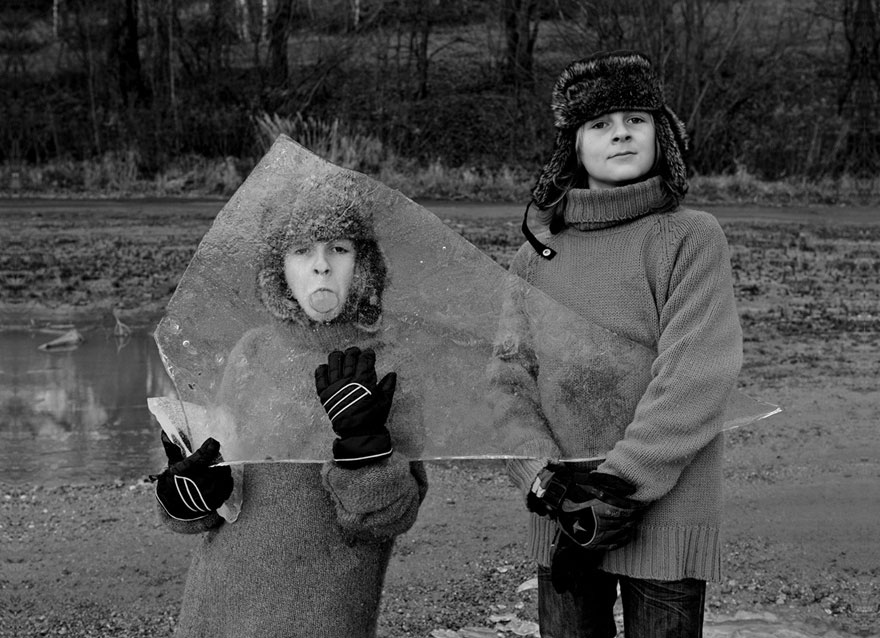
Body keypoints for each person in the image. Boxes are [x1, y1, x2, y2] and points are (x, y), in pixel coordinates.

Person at [490, 50, 743, 637]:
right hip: (564, 517)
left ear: (664, 135)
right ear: (573, 147)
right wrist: (543, 481)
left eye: (636, 118)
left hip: (663, 509)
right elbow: (506, 382)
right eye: (599, 123)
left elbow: (696, 372)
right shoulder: (535, 256)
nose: (621, 132)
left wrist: (618, 488)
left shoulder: (688, 238)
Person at [151, 198, 428, 638]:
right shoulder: (252, 350)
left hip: (323, 611)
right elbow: (222, 497)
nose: (321, 266)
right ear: (278, 269)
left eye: (338, 249)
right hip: (217, 604)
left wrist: (364, 446)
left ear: (364, 264)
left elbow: (390, 517)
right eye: (302, 250)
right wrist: (188, 496)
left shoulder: (389, 365)